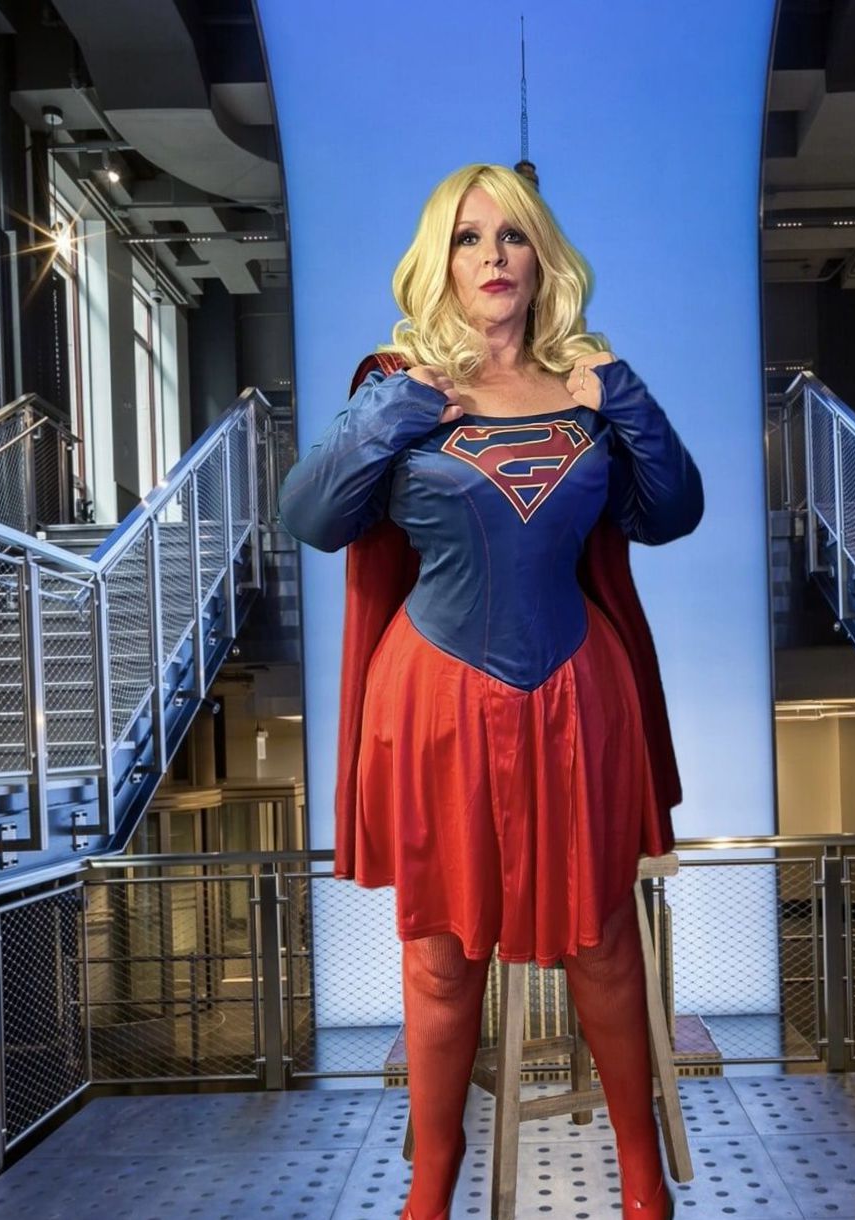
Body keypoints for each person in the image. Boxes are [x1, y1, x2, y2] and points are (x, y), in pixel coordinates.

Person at [279, 163, 702, 1220]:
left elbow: (670, 512)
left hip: (576, 694)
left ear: (540, 255)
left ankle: (641, 1178)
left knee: (604, 944)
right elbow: (312, 517)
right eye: (468, 238)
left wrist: (625, 396)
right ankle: (432, 1181)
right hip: (433, 701)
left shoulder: (589, 384)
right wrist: (400, 407)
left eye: (511, 235)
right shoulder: (395, 382)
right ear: (441, 260)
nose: (492, 256)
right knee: (438, 958)